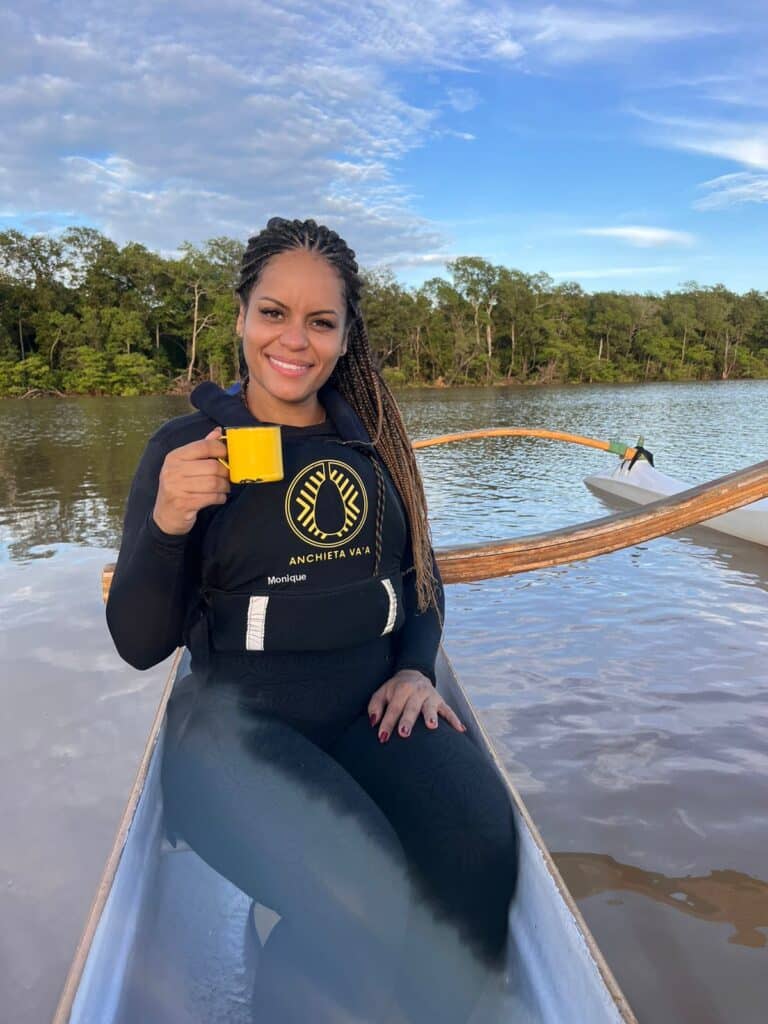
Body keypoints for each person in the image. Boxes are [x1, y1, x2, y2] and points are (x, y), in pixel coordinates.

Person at [106, 217, 518, 1022]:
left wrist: (415, 666)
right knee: (362, 892)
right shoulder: (185, 448)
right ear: (241, 318)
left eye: (320, 321)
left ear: (344, 336)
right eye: (273, 313)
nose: (294, 339)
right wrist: (165, 525)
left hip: (372, 714)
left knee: (481, 846)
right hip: (235, 732)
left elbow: (421, 577)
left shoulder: (376, 448)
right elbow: (139, 643)